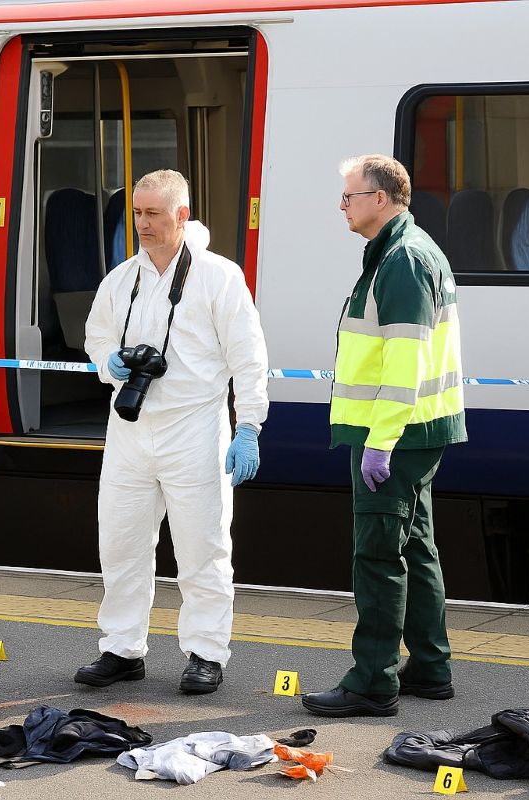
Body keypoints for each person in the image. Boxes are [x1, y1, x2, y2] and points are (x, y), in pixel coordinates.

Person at [77, 169, 269, 694]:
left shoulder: (218, 277)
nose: (142, 224)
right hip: (130, 432)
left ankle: (206, 653)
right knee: (121, 546)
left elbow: (248, 356)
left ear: (181, 215)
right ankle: (121, 649)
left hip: (196, 431)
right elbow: (96, 337)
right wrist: (109, 363)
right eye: (137, 213)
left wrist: (249, 425)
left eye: (153, 214)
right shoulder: (121, 279)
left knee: (203, 549)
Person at [301, 154, 467, 718]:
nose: (342, 205)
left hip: (396, 433)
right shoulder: (401, 252)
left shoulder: (402, 260)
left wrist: (380, 440)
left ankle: (372, 683)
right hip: (414, 430)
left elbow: (404, 361)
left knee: (377, 554)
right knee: (415, 546)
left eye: (349, 196)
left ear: (381, 199)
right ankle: (431, 667)